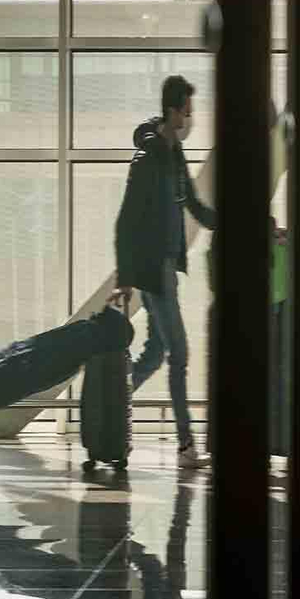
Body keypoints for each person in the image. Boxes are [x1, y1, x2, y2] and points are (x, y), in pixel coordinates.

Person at [114, 75, 215, 470]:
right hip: (154, 270)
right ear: (174, 111)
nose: (190, 118)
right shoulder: (148, 159)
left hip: (168, 267)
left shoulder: (174, 153)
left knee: (156, 352)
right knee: (180, 353)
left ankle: (113, 400)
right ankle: (186, 445)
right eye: (187, 111)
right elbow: (125, 221)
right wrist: (124, 278)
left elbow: (195, 207)